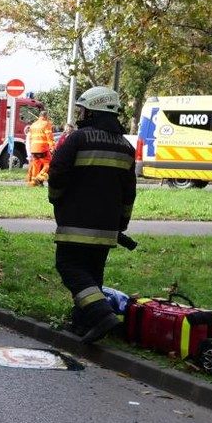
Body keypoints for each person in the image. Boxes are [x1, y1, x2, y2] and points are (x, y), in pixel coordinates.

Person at [48, 86, 137, 343]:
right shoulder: (125, 147)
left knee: (69, 267)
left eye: (83, 109)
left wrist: (56, 199)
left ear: (93, 110)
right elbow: (129, 192)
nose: (80, 114)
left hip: (75, 221)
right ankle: (82, 324)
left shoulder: (78, 139)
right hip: (107, 227)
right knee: (92, 274)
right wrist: (122, 222)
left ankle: (101, 314)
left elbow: (57, 173)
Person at [26, 109, 54, 186]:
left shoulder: (33, 125)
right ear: (46, 116)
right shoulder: (46, 124)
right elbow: (49, 137)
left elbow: (30, 138)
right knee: (48, 164)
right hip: (42, 148)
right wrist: (52, 147)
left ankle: (33, 182)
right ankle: (39, 177)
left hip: (33, 149)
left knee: (36, 165)